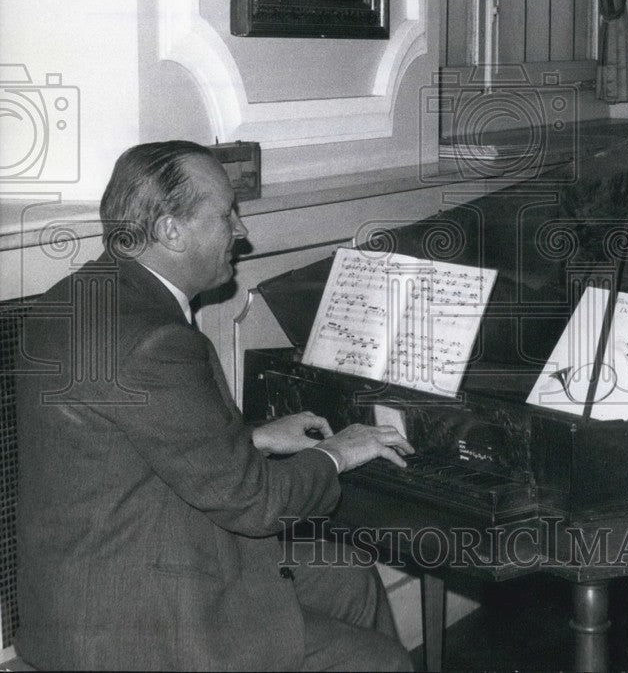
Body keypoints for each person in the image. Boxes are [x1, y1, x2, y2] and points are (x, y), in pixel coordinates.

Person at [15, 141, 416, 671]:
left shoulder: (74, 297)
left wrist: (254, 438)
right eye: (226, 212)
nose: (242, 230)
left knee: (346, 573)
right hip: (142, 625)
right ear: (169, 230)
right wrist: (339, 452)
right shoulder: (156, 338)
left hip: (81, 591)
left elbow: (126, 444)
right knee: (382, 662)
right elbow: (257, 506)